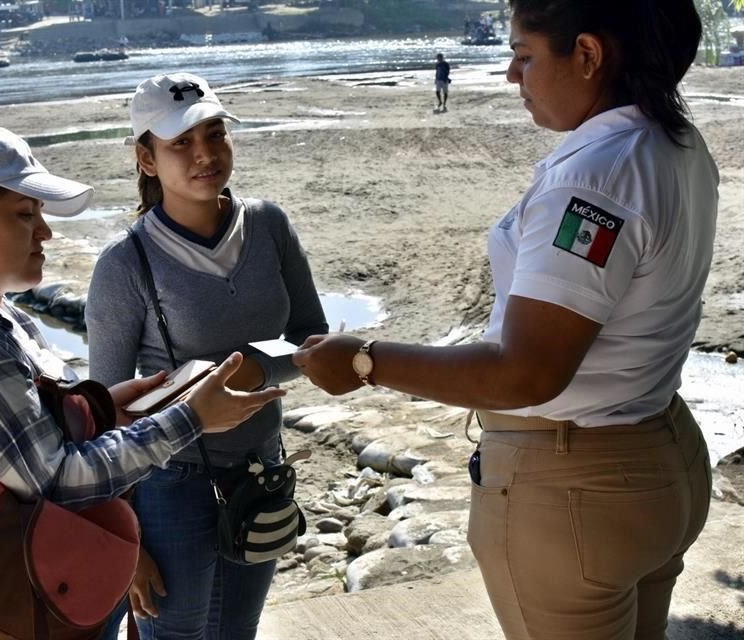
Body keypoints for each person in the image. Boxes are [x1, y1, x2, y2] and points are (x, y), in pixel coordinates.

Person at [294, 1, 716, 638]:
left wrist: (364, 360)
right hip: (660, 455)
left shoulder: (595, 182)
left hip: (576, 487)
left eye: (523, 55)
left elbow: (526, 371)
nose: (510, 75)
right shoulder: (670, 141)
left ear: (589, 55)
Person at [0, 123, 285, 640]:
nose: (45, 232)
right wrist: (190, 419)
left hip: (48, 586)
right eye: (25, 214)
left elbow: (30, 435)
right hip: (18, 607)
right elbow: (55, 482)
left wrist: (106, 408)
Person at [85, 72, 328, 640]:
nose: (205, 155)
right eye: (181, 144)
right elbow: (102, 418)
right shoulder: (126, 265)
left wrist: (249, 371)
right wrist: (129, 544)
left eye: (215, 134)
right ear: (146, 158)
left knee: (237, 632)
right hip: (172, 482)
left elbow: (311, 337)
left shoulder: (269, 225)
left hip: (261, 471)